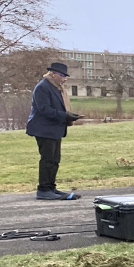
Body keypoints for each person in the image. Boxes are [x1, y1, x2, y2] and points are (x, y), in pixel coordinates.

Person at [26, 62, 83, 200]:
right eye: (62, 75)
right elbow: (44, 109)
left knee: (55, 160)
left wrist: (69, 115)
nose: (65, 78)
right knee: (47, 160)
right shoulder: (43, 87)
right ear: (53, 73)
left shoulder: (57, 88)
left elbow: (59, 108)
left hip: (55, 129)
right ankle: (43, 189)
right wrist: (65, 116)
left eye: (66, 76)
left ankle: (51, 187)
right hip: (43, 129)